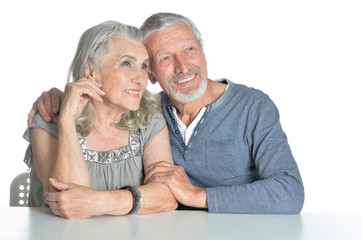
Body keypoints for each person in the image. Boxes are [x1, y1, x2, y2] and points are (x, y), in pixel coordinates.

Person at [28, 13, 304, 214]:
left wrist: (197, 195)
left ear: (204, 54)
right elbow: (68, 202)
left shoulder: (252, 107)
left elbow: (290, 192)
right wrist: (61, 104)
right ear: (153, 76)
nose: (184, 67)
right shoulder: (149, 110)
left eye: (189, 50)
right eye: (165, 58)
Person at [23, 20, 178, 219]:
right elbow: (68, 205)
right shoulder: (48, 118)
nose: (140, 78)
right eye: (127, 63)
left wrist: (99, 202)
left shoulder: (149, 120)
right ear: (91, 72)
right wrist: (67, 121)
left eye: (144, 66)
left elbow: (167, 195)